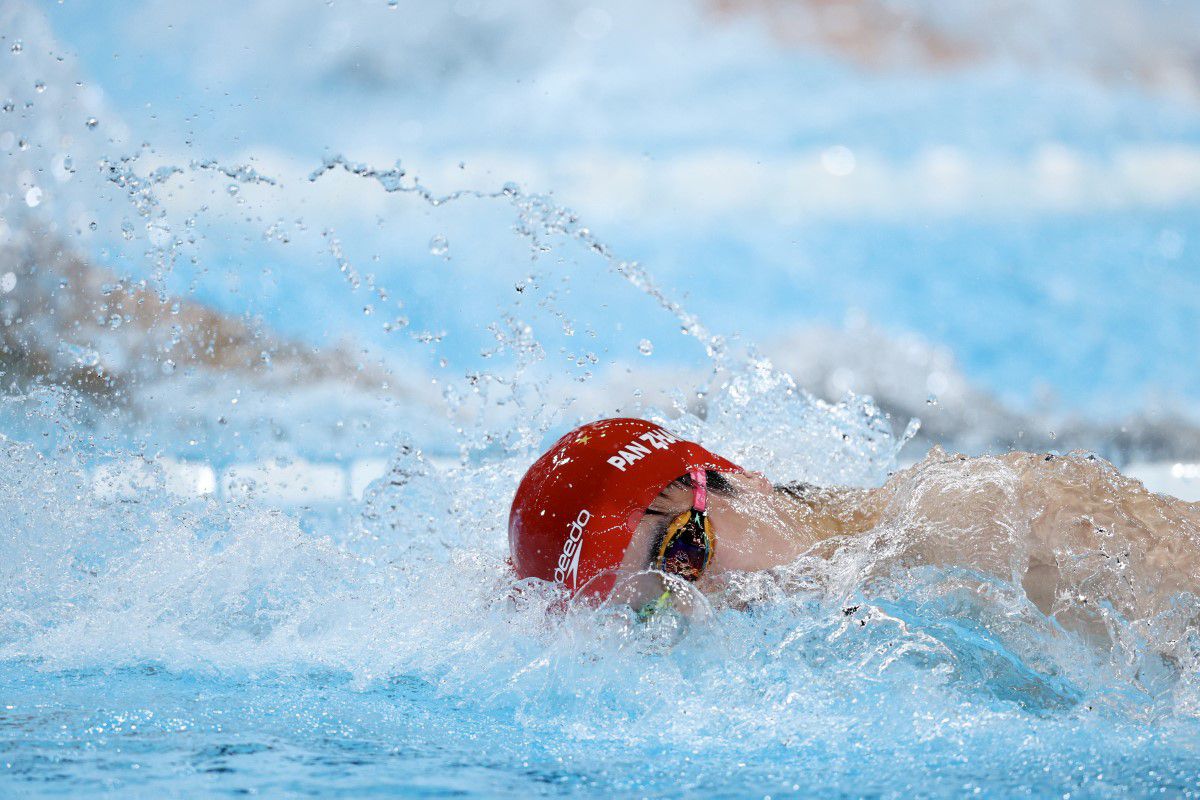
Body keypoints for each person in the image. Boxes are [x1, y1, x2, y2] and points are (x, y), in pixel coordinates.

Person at [509, 417, 1200, 636]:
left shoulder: (986, 517)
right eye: (656, 610)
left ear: (738, 480)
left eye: (684, 555)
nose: (703, 602)